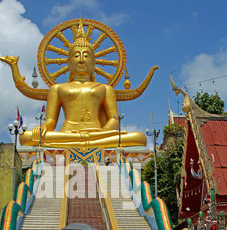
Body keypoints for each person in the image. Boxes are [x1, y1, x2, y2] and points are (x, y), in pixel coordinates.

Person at [18, 20, 147, 149]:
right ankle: (86, 142)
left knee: (140, 137)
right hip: (67, 134)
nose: (81, 60)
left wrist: (103, 131)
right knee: (25, 136)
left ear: (93, 62)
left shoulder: (105, 89)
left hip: (98, 133)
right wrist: (42, 128)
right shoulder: (57, 88)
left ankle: (86, 142)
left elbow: (114, 119)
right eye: (76, 56)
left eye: (86, 56)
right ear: (68, 62)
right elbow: (51, 121)